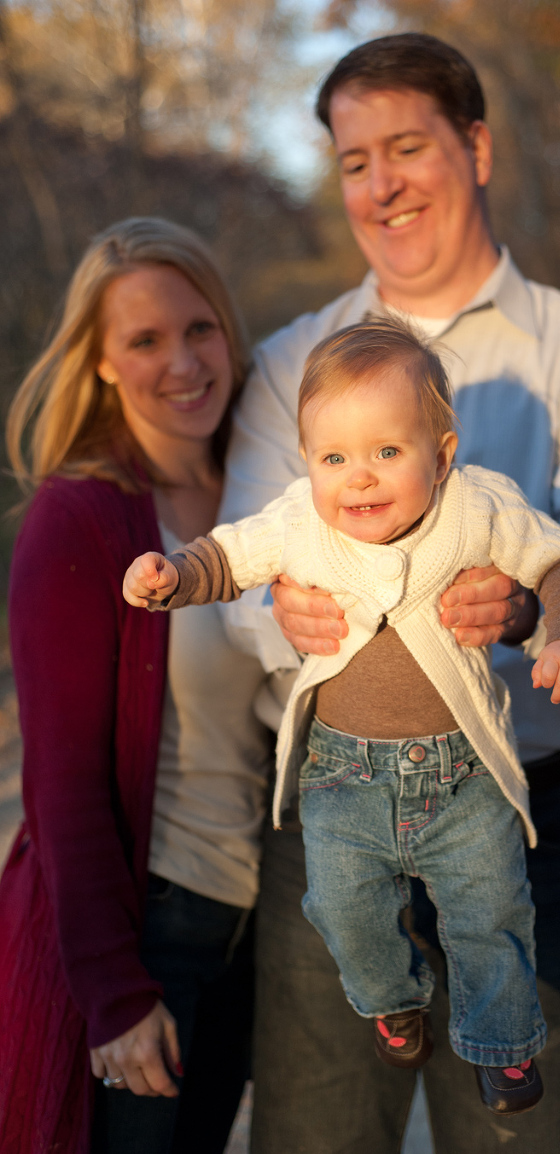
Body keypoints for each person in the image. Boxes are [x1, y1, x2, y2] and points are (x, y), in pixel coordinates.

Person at [220, 32, 560, 1154]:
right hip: (333, 803)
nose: (381, 184)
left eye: (407, 146)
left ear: (475, 146)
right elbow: (239, 564)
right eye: (355, 159)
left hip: (521, 809)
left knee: (507, 1133)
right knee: (317, 1134)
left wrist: (530, 611)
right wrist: (276, 615)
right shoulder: (290, 365)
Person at [124, 318, 560, 1116]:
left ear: (442, 454)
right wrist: (171, 576)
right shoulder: (299, 522)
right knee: (341, 907)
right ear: (306, 462)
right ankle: (392, 997)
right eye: (334, 458)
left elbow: (559, 557)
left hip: (461, 776)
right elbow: (227, 557)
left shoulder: (478, 506)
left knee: (492, 915)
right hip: (344, 774)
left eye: (388, 452)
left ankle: (502, 1046)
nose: (360, 479)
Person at [0, 217, 273, 1154]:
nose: (183, 362)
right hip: (145, 936)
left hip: (253, 932)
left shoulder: (269, 489)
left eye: (198, 329)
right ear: (104, 363)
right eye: (145, 341)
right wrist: (115, 994)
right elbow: (61, 785)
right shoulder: (78, 517)